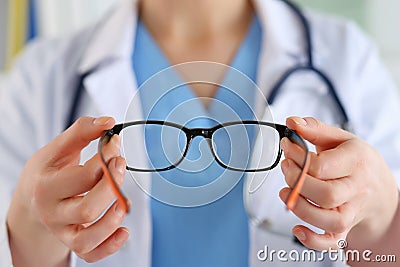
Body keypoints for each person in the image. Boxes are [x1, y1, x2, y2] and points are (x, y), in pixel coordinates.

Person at [1, 0, 399, 266]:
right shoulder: (41, 78)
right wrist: (28, 230)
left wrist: (380, 216)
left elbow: (385, 253)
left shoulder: (348, 59)